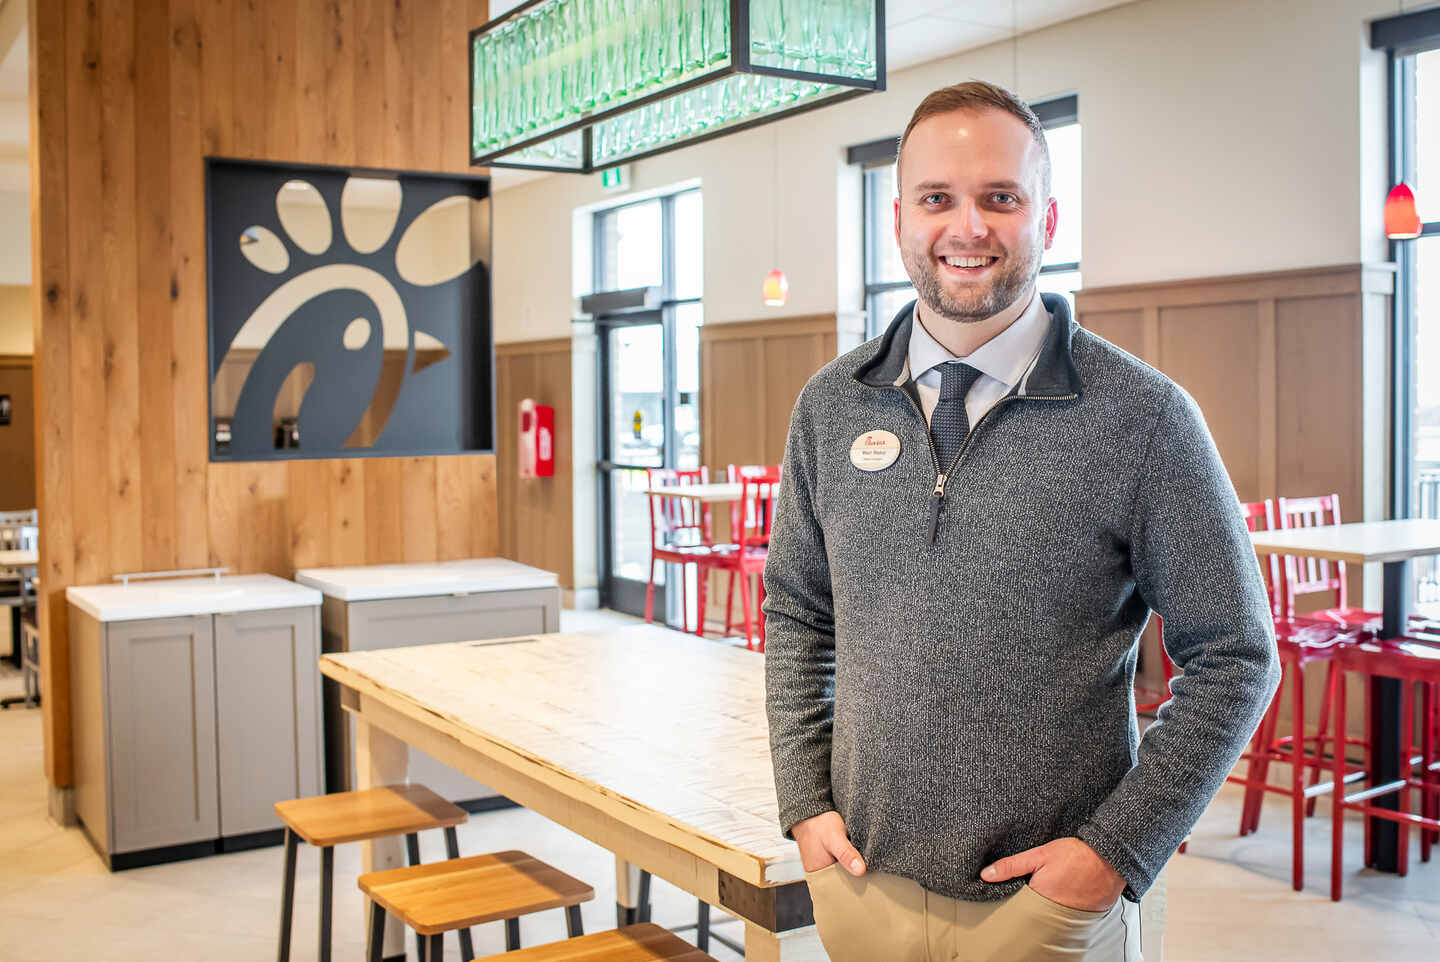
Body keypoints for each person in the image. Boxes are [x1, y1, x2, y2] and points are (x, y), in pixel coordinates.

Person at [762, 80, 1279, 961]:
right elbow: (798, 613)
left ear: (1047, 217)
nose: (968, 228)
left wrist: (1114, 851)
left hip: (1045, 913)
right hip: (860, 887)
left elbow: (1237, 653)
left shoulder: (1144, 417)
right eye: (938, 199)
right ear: (898, 220)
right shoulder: (829, 407)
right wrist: (805, 804)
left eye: (1000, 198)